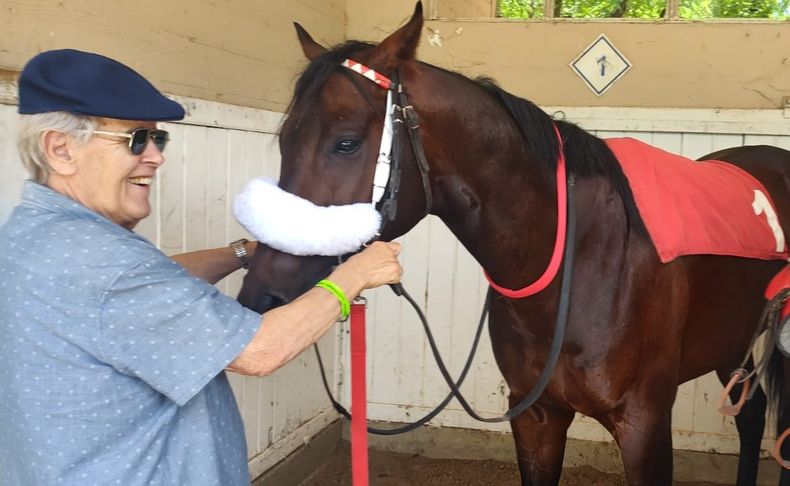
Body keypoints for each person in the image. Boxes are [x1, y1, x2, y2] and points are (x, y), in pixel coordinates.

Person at [0, 49, 402, 485]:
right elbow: (260, 351)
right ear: (60, 150)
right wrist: (356, 274)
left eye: (159, 140)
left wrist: (248, 251)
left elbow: (155, 287)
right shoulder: (104, 264)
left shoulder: (35, 236)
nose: (155, 157)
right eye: (137, 139)